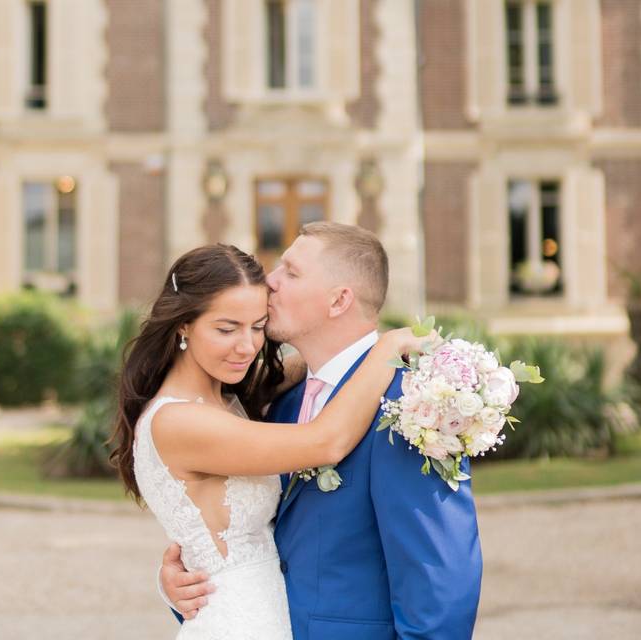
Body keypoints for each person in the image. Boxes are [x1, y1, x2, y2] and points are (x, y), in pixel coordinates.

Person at [158, 222, 483, 639]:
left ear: (339, 300)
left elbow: (440, 576)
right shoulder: (283, 401)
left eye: (290, 273)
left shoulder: (410, 404)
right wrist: (181, 584)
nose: (269, 282)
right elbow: (246, 534)